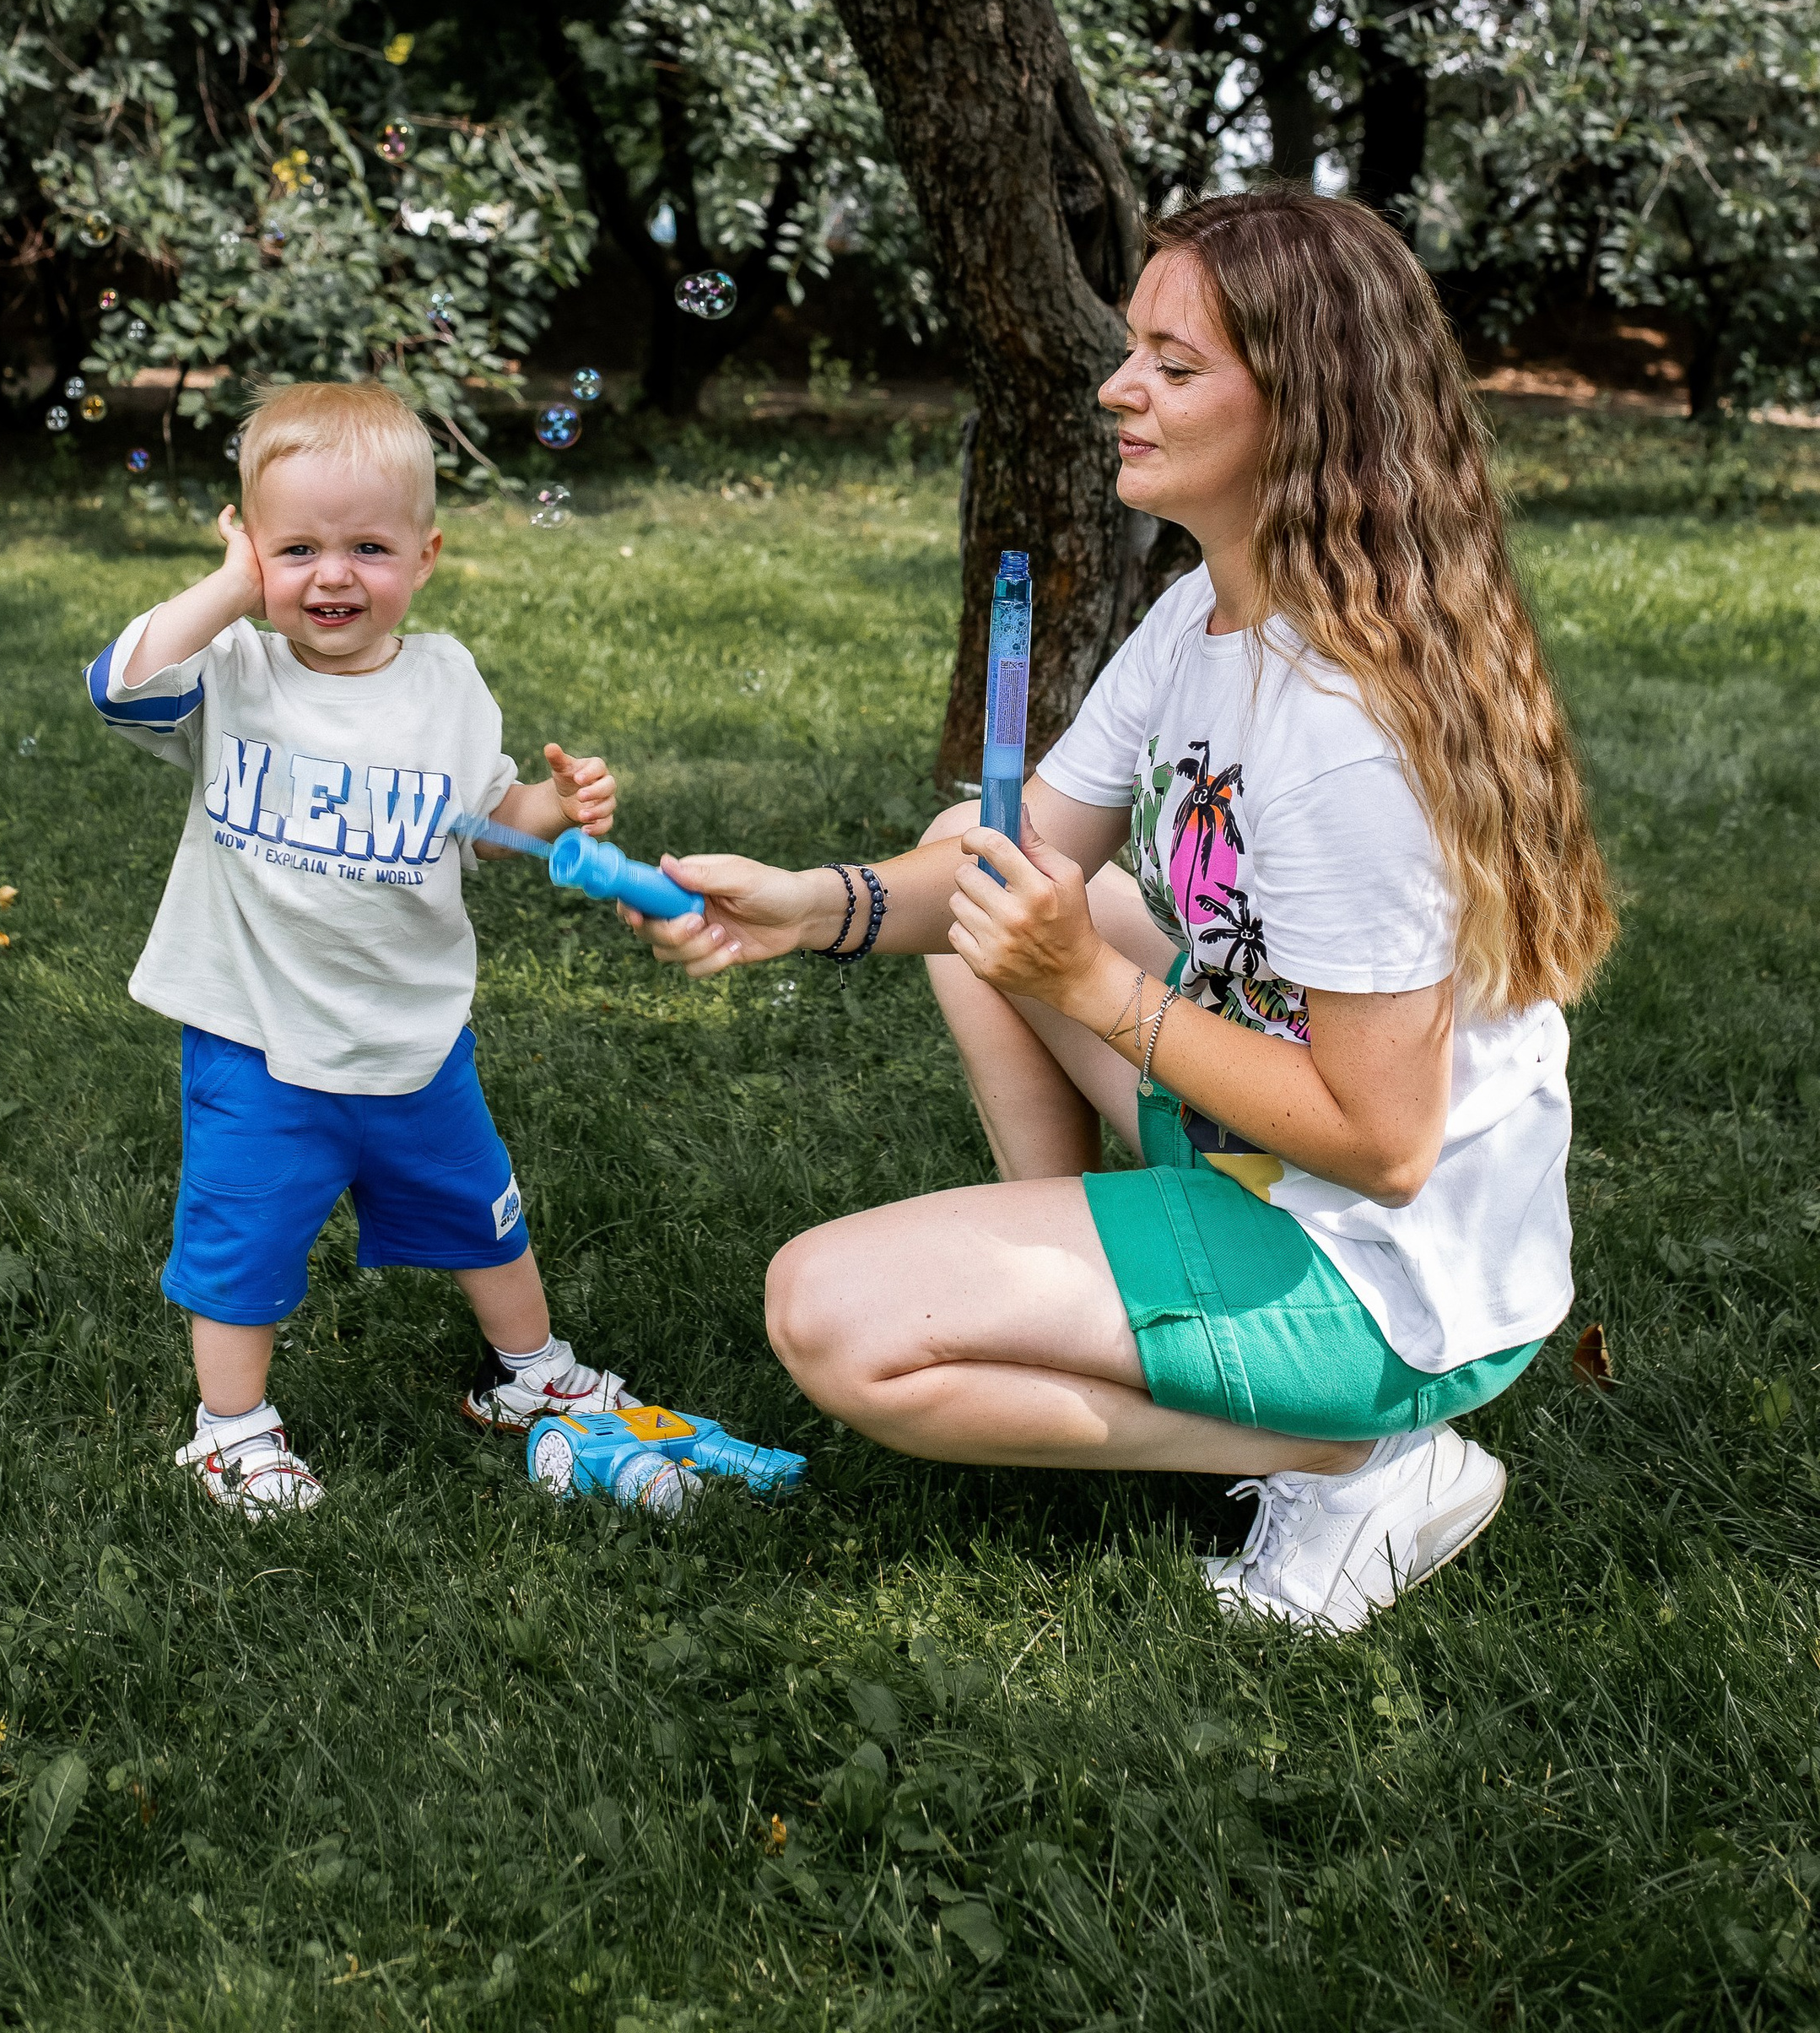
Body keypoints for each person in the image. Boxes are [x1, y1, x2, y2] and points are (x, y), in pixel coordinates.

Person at [641, 190, 1614, 1632]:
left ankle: (1356, 1460)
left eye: (1172, 363)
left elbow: (1387, 1144)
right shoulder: (1202, 620)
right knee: (979, 853)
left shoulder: (1343, 732)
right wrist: (811, 907)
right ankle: (1114, 1291)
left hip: (1384, 1274)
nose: (1117, 388)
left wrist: (1093, 988)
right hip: (1269, 1148)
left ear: (1302, 409)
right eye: (1130, 351)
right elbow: (1014, 859)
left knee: (833, 1320)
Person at [89, 378, 638, 1515]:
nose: (332, 575)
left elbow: (486, 820)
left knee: (481, 1208)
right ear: (251, 550)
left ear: (425, 557)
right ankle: (231, 1430)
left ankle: (530, 1375)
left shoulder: (446, 681)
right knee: (243, 1239)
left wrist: (556, 805)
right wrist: (230, 589)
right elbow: (118, 686)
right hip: (255, 1035)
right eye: (295, 549)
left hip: (412, 1032)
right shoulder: (232, 669)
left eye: (369, 548)